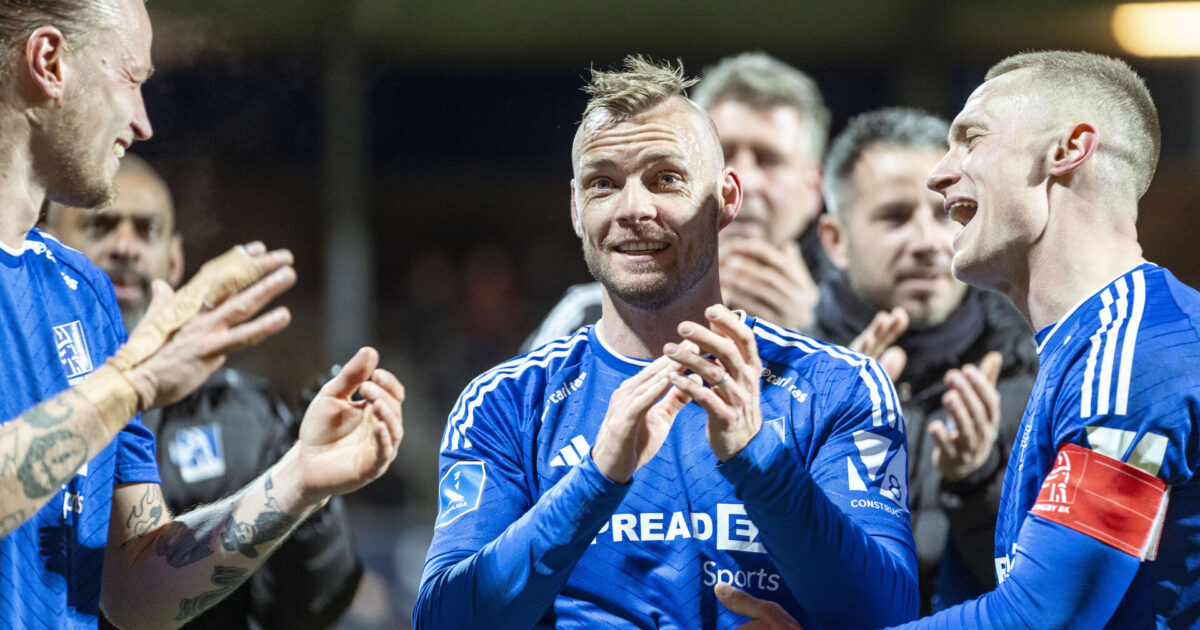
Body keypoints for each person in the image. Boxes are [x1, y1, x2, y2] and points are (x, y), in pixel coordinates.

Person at [414, 56, 917, 629]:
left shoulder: (839, 386)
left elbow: (887, 611)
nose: (633, 209)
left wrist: (758, 459)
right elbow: (443, 621)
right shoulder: (505, 402)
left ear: (726, 198)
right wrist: (596, 479)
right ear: (577, 209)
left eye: (666, 179)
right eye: (603, 183)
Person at [717, 50, 1200, 629]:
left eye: (971, 138)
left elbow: (1044, 618)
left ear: (1068, 151)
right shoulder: (1096, 344)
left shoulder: (1135, 357)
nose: (940, 173)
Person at [0, 1, 404, 628]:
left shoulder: (82, 291)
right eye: (131, 79)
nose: (142, 123)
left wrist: (297, 477)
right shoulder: (128, 366)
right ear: (49, 62)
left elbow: (134, 589)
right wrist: (133, 382)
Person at [42, 154, 363, 630]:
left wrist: (312, 500)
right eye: (101, 226)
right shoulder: (23, 388)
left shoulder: (242, 415)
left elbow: (307, 609)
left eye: (145, 230)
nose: (125, 246)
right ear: (52, 247)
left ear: (174, 260)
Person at [809, 107, 1036, 614]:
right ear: (836, 240)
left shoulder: (1034, 373)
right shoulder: (786, 378)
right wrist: (830, 430)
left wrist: (977, 481)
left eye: (945, 213)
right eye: (894, 217)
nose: (928, 242)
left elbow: (1041, 598)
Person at [522, 52, 829, 349]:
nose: (743, 178)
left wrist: (813, 333)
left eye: (768, 160)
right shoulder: (585, 316)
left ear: (814, 189)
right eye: (725, 152)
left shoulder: (860, 312)